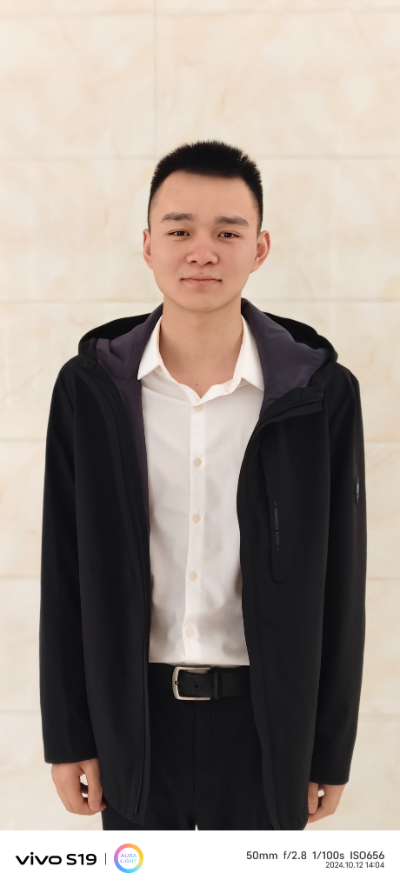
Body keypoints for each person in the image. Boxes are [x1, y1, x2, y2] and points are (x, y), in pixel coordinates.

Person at [40, 140, 367, 831]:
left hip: (266, 726)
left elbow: (342, 579)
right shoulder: (91, 390)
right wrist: (69, 735)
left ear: (260, 248)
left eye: (227, 233)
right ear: (147, 245)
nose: (202, 252)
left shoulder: (319, 394)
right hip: (134, 721)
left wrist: (328, 747)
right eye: (180, 230)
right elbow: (65, 568)